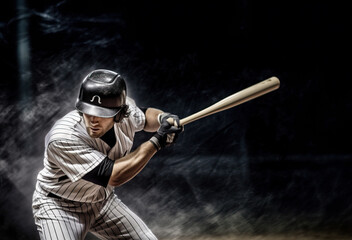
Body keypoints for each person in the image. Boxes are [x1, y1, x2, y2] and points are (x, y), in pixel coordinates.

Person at [32, 69, 183, 240]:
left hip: (102, 201)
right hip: (60, 207)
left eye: (102, 113)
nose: (93, 119)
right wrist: (157, 142)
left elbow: (146, 115)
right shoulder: (63, 137)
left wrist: (163, 118)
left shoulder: (126, 113)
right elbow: (114, 176)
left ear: (119, 113)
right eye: (88, 111)